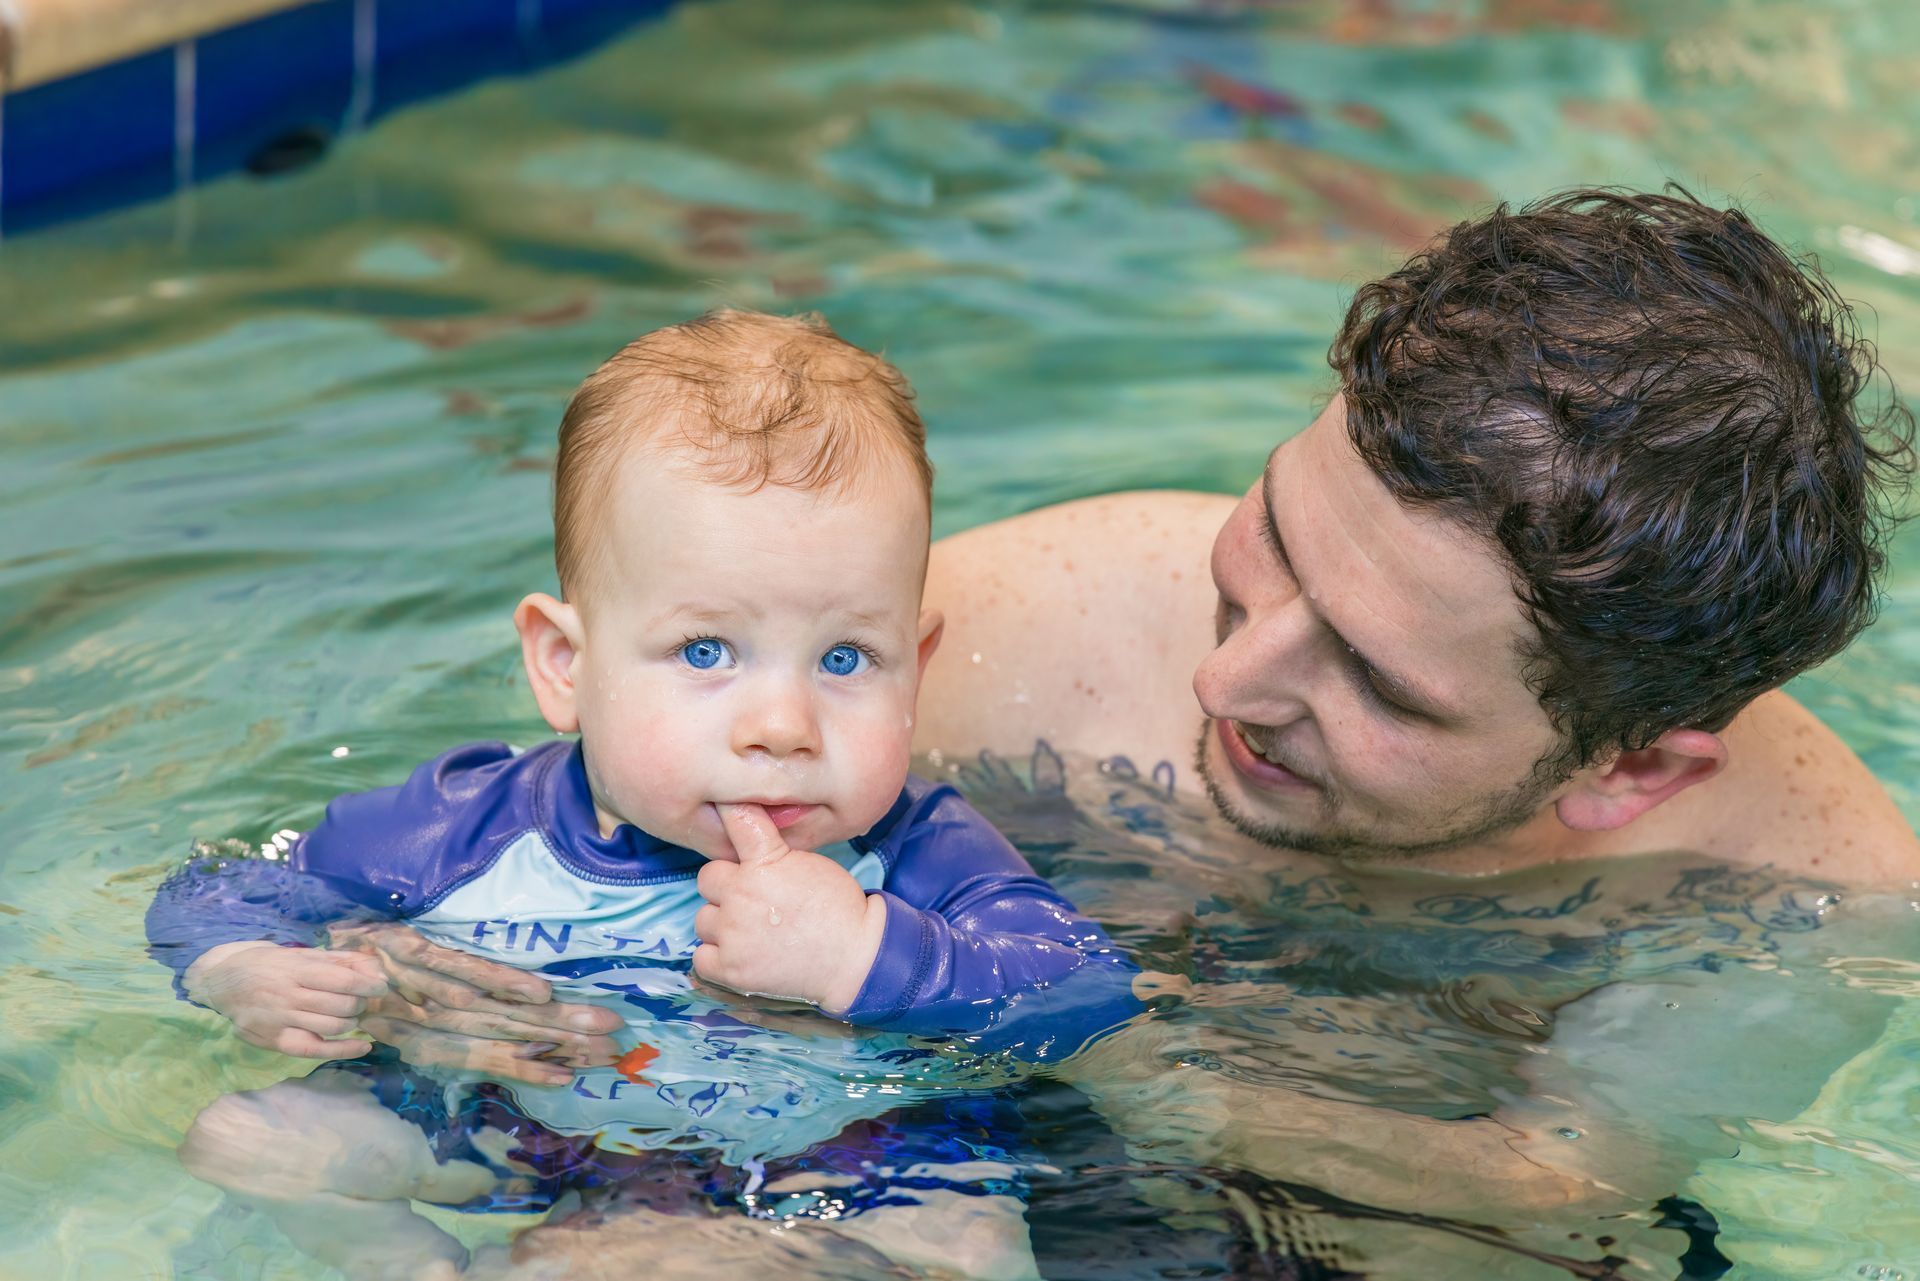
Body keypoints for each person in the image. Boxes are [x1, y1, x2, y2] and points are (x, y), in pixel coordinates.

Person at [310, 191, 1920, 1245]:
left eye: (1375, 680)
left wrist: (1134, 1053)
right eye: (1274, 533)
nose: (1227, 676)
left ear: (1634, 771)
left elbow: (1548, 1193)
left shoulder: (1815, 897)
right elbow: (580, 821)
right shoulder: (1032, 627)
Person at [146, 308, 1137, 1279]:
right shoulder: (464, 828)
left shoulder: (918, 851)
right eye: (706, 651)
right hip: (532, 1132)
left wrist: (865, 954)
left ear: (914, 671)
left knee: (969, 1242)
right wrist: (242, 967)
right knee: (252, 1138)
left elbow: (1087, 992)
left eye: (846, 656)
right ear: (566, 666)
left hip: (853, 1159)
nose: (783, 725)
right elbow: (224, 887)